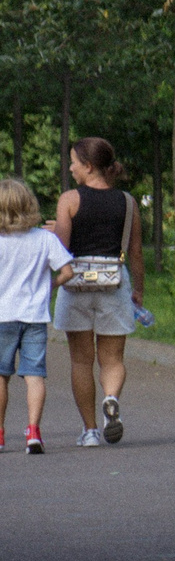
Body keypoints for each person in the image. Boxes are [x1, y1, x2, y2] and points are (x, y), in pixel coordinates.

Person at [51, 136, 145, 447]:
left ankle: (90, 431)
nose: (71, 167)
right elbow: (136, 254)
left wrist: (51, 232)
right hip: (114, 282)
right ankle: (111, 398)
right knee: (113, 359)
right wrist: (139, 293)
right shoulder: (128, 203)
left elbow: (61, 248)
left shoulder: (69, 200)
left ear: (89, 166)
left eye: (74, 162)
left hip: (75, 283)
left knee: (81, 360)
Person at [0, 178, 75, 453]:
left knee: (0, 376)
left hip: (1, 317)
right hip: (34, 317)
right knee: (34, 376)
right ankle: (33, 432)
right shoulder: (45, 239)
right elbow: (67, 272)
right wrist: (51, 286)